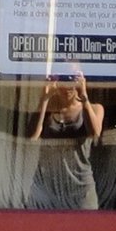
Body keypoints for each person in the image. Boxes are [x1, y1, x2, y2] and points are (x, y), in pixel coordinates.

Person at [28, 66, 104, 210]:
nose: (68, 86)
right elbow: (32, 136)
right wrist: (44, 99)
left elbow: (95, 133)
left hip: (81, 186)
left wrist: (84, 96)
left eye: (72, 79)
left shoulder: (94, 108)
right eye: (63, 79)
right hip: (48, 185)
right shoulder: (48, 110)